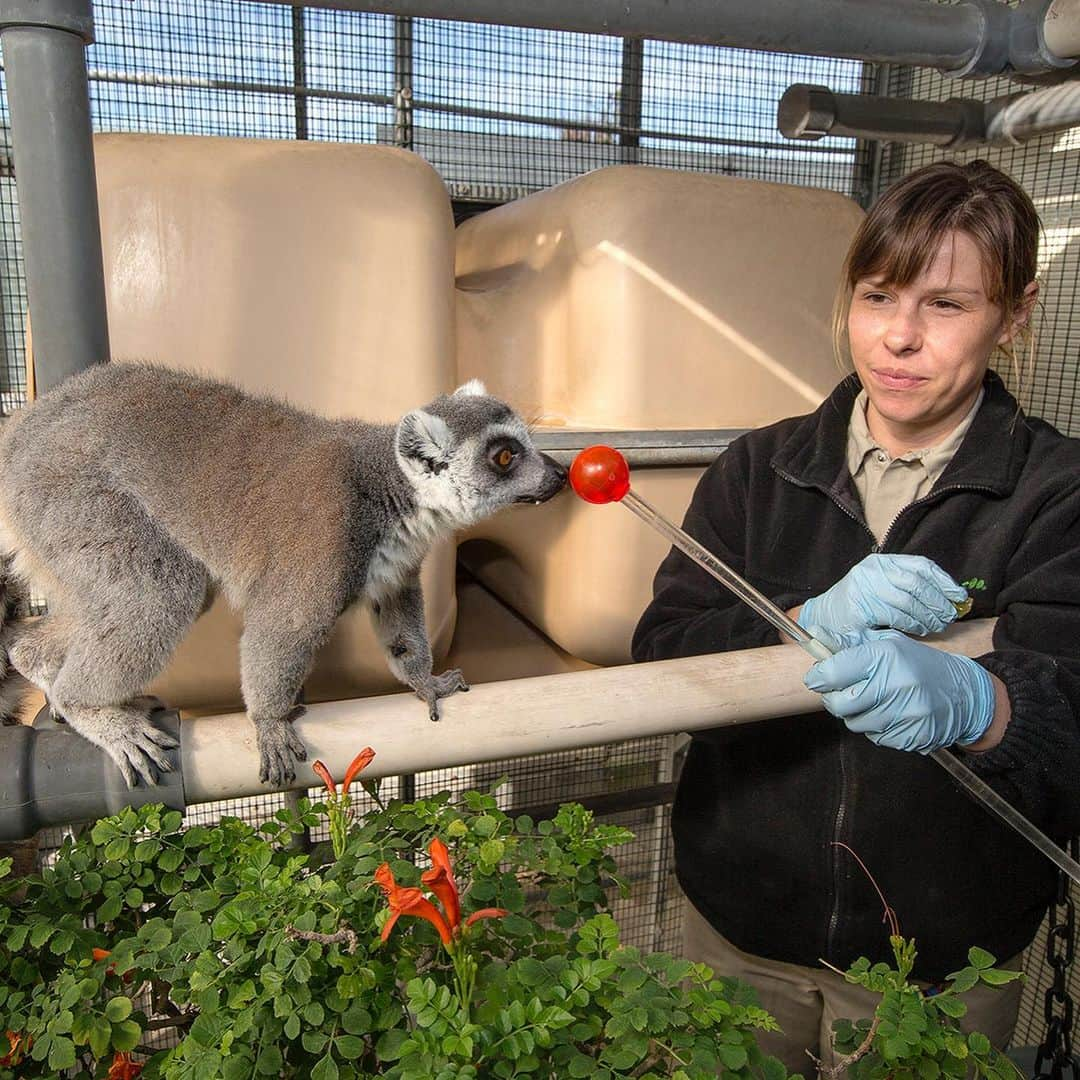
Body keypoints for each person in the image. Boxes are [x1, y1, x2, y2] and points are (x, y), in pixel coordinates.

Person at [631, 159, 1080, 1074]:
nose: (899, 338)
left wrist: (984, 707)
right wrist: (797, 620)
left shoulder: (1056, 496)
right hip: (741, 922)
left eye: (947, 305)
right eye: (878, 296)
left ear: (1017, 311)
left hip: (947, 956)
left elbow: (1073, 727)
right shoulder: (756, 472)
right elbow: (664, 656)